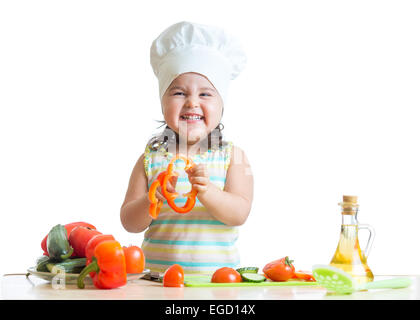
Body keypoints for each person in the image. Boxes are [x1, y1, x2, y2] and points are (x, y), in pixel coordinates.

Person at [120, 21, 253, 275]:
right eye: (179, 93)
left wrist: (208, 192)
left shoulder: (234, 158)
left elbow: (239, 213)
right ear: (163, 102)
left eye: (205, 94)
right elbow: (129, 222)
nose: (192, 102)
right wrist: (151, 200)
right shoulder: (149, 160)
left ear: (221, 105)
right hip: (156, 282)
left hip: (217, 284)